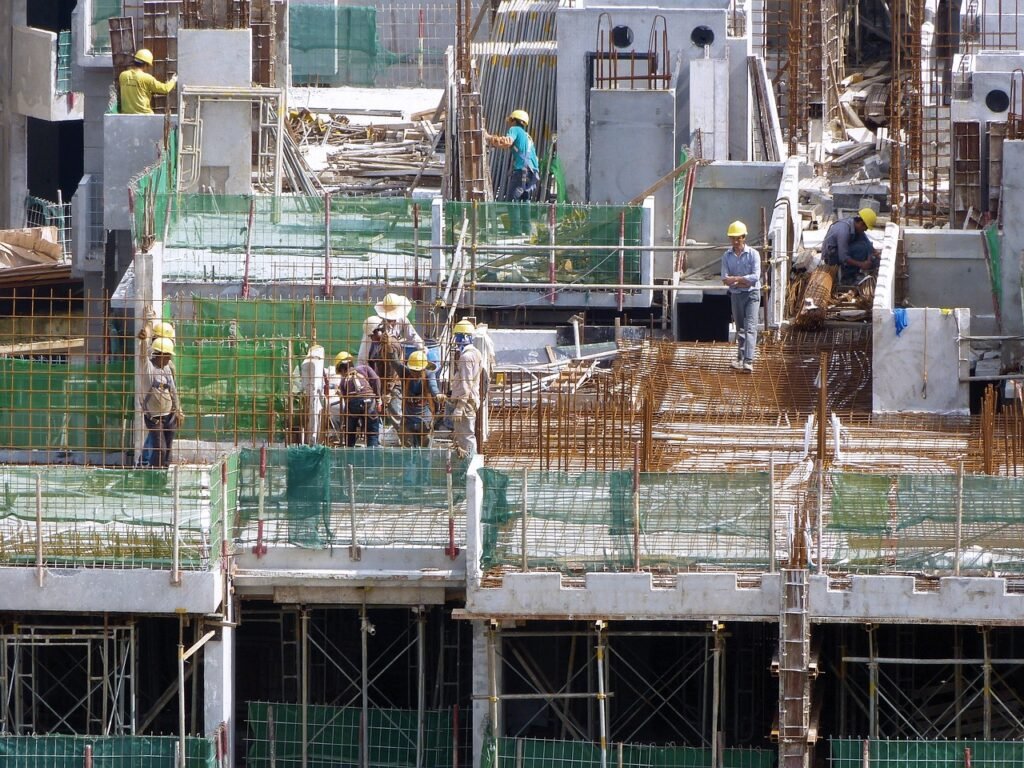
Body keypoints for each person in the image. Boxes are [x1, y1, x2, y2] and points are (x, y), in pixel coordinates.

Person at [486, 109, 539, 235]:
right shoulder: (527, 136)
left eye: (510, 121)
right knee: (524, 199)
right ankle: (526, 229)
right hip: (533, 173)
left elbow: (507, 142)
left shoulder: (515, 130)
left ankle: (515, 230)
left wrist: (488, 137)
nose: (509, 123)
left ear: (514, 120)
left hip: (522, 171)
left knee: (512, 200)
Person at [721, 220, 761, 373]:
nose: (736, 241)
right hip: (736, 295)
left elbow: (755, 277)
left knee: (750, 327)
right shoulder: (727, 256)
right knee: (740, 328)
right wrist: (743, 280)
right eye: (733, 238)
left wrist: (735, 279)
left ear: (744, 238)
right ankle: (740, 358)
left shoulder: (753, 254)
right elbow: (725, 279)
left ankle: (748, 361)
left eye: (739, 238)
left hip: (752, 295)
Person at [140, 336, 182, 468]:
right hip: (154, 418)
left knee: (168, 451)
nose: (170, 359)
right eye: (168, 356)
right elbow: (142, 356)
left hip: (169, 415)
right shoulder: (149, 369)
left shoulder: (167, 368)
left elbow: (173, 390)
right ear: (160, 355)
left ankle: (163, 477)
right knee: (160, 451)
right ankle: (153, 479)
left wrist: (178, 409)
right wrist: (143, 341)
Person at [450, 319, 483, 456]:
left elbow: (466, 382)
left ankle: (471, 467)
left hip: (466, 402)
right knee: (465, 435)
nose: (456, 340)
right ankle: (470, 465)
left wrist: (460, 407)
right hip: (471, 399)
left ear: (464, 337)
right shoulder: (476, 353)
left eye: (457, 336)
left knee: (465, 436)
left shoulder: (466, 357)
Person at [334, 351, 382, 448]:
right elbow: (376, 379)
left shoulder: (343, 381)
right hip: (369, 401)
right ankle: (372, 459)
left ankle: (350, 457)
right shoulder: (364, 368)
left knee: (350, 432)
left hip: (353, 404)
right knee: (372, 433)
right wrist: (378, 397)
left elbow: (346, 401)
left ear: (342, 369)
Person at [821, 207, 879, 284]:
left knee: (864, 245)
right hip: (831, 257)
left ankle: (854, 271)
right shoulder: (843, 231)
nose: (865, 230)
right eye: (865, 228)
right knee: (861, 249)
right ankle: (847, 277)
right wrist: (862, 264)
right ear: (861, 223)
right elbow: (843, 257)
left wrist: (876, 253)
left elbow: (866, 242)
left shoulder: (854, 225)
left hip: (839, 251)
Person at [398, 350, 443, 448]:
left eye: (418, 371)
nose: (415, 374)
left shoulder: (429, 374)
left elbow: (433, 386)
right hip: (408, 419)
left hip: (424, 420)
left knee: (425, 452)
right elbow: (393, 362)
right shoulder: (405, 373)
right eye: (413, 371)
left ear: (424, 369)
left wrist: (437, 394)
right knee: (408, 454)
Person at [118, 48, 177, 115]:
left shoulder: (122, 75)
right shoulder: (147, 78)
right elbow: (165, 89)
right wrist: (173, 80)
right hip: (145, 115)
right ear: (145, 65)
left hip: (126, 115)